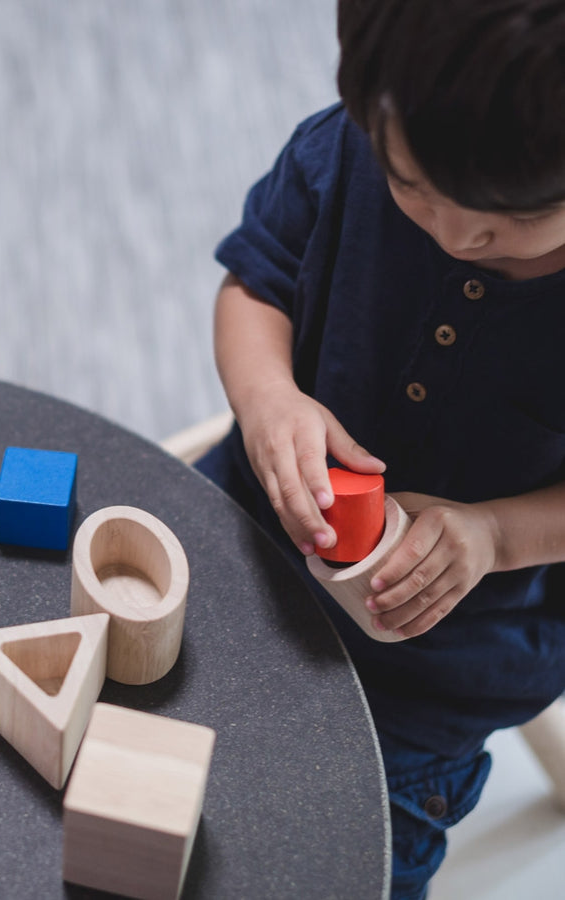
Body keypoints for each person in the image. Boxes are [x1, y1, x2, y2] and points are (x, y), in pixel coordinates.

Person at [195, 1, 565, 896]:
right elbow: (257, 281)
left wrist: (496, 536)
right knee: (124, 720)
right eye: (414, 189)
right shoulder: (360, 143)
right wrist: (267, 397)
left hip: (445, 660)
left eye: (515, 222)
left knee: (346, 861)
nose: (458, 234)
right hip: (252, 524)